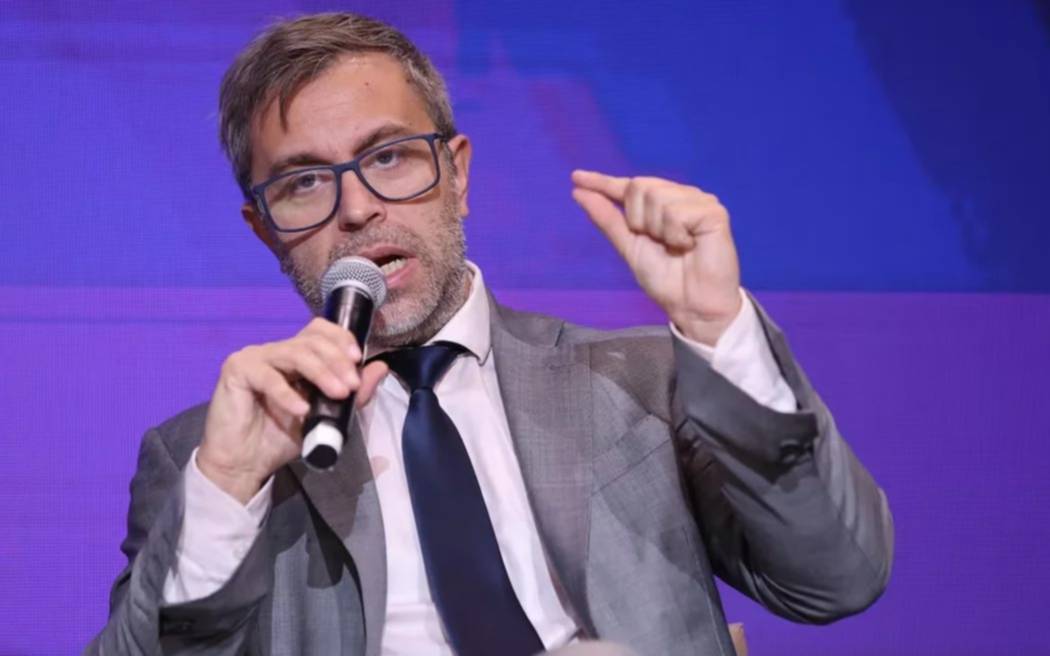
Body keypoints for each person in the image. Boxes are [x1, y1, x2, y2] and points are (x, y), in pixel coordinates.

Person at [87, 12, 893, 656]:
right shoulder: (210, 457)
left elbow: (835, 578)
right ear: (265, 231)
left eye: (389, 157)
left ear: (458, 174)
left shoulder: (644, 379)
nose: (358, 208)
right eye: (303, 183)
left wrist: (717, 327)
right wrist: (228, 486)